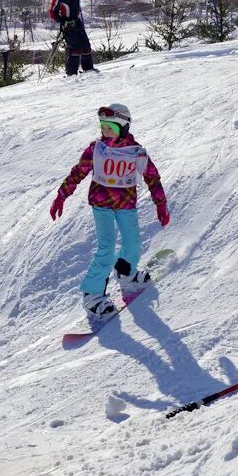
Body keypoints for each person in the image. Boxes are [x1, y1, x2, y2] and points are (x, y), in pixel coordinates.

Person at [49, 103, 170, 325]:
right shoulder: (97, 149)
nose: (105, 132)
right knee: (107, 247)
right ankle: (92, 295)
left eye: (110, 128)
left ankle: (126, 272)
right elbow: (78, 172)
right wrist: (61, 196)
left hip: (126, 204)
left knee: (133, 242)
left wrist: (160, 203)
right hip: (102, 204)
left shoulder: (136, 152)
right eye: (103, 127)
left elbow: (152, 176)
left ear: (123, 128)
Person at [47, 0, 101, 75]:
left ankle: (88, 68)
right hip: (68, 27)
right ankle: (71, 73)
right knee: (74, 49)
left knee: (85, 45)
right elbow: (52, 12)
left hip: (77, 23)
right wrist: (62, 20)